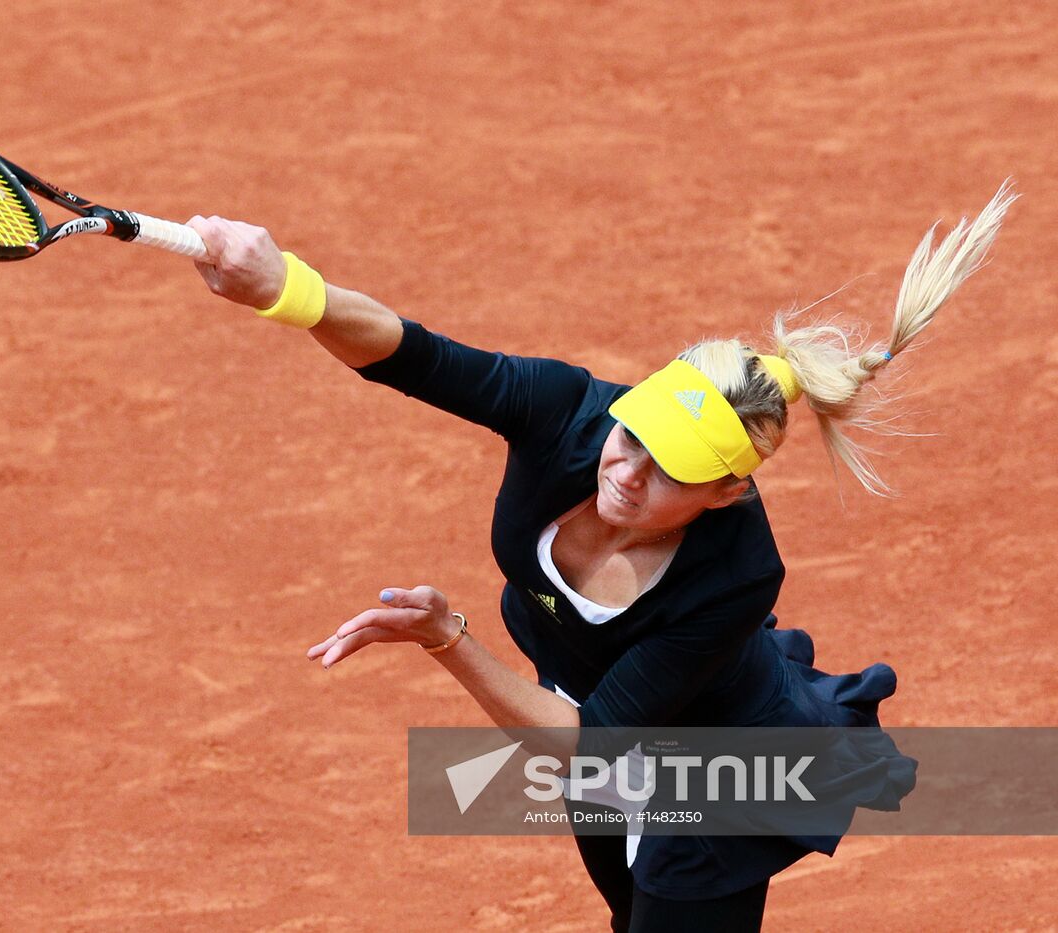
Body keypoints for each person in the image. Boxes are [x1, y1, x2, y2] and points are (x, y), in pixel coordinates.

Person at [185, 182, 1015, 933]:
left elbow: (592, 745)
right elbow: (414, 355)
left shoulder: (738, 574)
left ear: (726, 491)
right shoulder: (567, 413)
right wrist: (288, 289)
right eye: (633, 434)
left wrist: (448, 639)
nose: (627, 472)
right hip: (592, 719)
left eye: (670, 470)